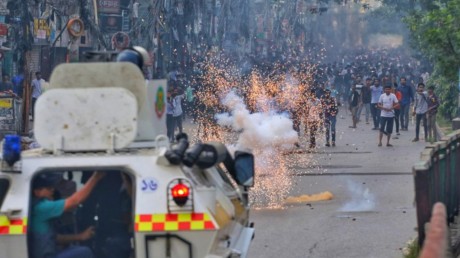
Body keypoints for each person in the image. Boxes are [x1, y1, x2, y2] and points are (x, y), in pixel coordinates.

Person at [30, 172, 105, 258]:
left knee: (75, 249)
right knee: (85, 252)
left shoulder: (35, 206)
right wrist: (95, 177)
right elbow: (74, 202)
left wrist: (81, 236)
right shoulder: (41, 207)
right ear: (37, 192)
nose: (52, 189)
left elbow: (55, 238)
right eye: (48, 188)